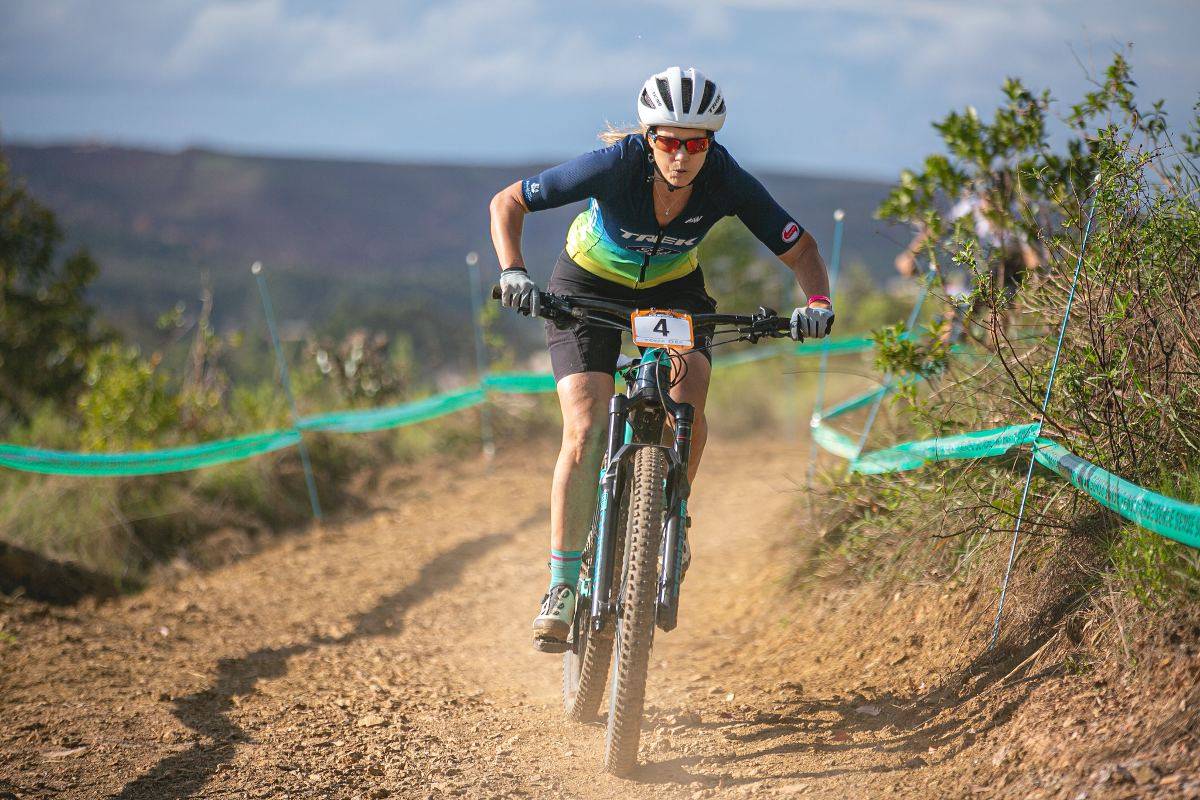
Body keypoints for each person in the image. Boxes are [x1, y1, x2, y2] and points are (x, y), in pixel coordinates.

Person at [488, 66, 835, 648]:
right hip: (588, 286)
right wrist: (513, 271)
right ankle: (561, 583)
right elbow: (508, 202)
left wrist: (819, 301)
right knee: (585, 423)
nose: (681, 155)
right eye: (669, 141)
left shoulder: (726, 180)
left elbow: (799, 246)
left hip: (673, 293)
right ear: (649, 138)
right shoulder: (615, 165)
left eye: (695, 144)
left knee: (689, 404)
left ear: (712, 144)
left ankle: (671, 518)